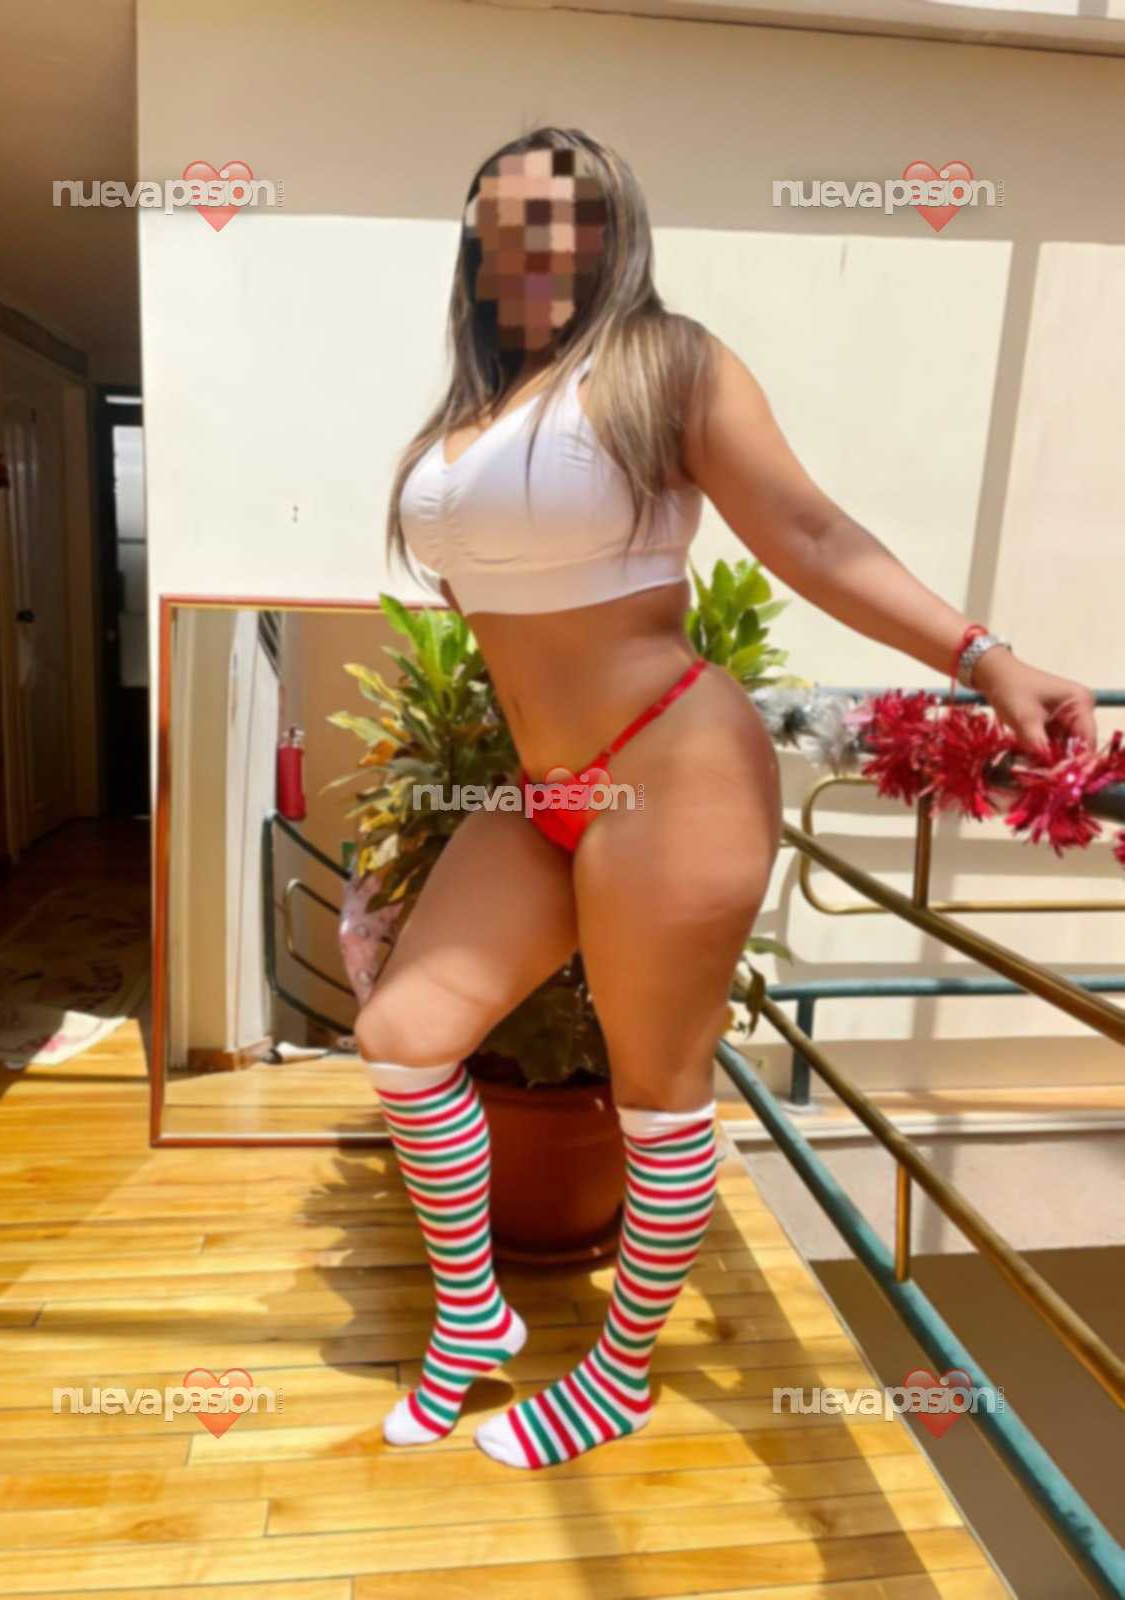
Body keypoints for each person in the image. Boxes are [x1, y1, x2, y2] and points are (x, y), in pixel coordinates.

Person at [352, 127, 1098, 1471]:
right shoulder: (473, 412)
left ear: (610, 233)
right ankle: (474, 1317)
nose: (526, 245)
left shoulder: (666, 365)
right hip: (542, 786)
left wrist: (985, 659)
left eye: (558, 217)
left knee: (656, 1091)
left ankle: (621, 1374)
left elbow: (808, 533)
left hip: (670, 761)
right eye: (497, 223)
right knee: (406, 1035)